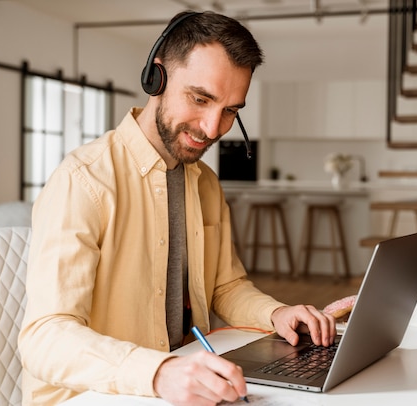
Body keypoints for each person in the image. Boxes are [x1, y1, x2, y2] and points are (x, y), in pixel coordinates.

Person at [18, 10, 336, 406]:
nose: (212, 128)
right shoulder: (84, 180)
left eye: (230, 110)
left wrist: (277, 314)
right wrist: (159, 372)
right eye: (200, 99)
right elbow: (44, 335)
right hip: (94, 395)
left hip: (178, 386)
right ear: (157, 77)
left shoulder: (204, 183)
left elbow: (226, 286)